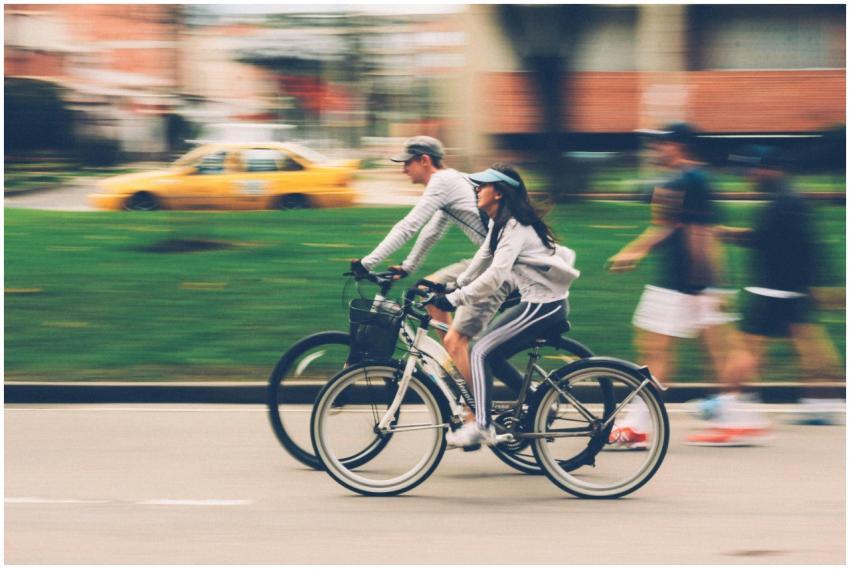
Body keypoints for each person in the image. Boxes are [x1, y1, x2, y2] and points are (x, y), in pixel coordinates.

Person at [606, 122, 755, 448]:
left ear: (680, 146)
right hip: (694, 283)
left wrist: (703, 285)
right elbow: (679, 227)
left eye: (663, 144)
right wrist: (635, 252)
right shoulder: (696, 179)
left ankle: (638, 427)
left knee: (658, 351)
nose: (657, 149)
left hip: (683, 284)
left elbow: (690, 230)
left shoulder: (685, 180)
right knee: (702, 352)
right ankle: (736, 420)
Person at [429, 164, 580, 448]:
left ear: (498, 192)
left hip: (544, 307)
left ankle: (483, 426)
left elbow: (495, 276)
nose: (476, 190)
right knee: (492, 355)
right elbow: (482, 259)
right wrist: (452, 285)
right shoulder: (501, 224)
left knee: (480, 352)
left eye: (482, 186)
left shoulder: (516, 226)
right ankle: (537, 401)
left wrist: (454, 299)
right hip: (536, 304)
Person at [351, 136, 516, 391]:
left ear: (424, 160)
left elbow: (409, 226)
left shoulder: (442, 182)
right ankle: (454, 364)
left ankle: (474, 404)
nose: (403, 169)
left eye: (407, 163)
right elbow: (432, 232)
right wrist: (408, 266)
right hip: (490, 257)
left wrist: (367, 263)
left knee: (455, 337)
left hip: (500, 265)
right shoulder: (450, 182)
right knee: (428, 290)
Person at [713, 145, 843, 429]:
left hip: (771, 288)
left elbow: (765, 239)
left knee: (744, 346)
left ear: (768, 168)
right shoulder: (789, 196)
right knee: (812, 345)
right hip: (793, 287)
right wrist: (821, 284)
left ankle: (727, 405)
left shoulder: (782, 201)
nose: (749, 175)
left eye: (752, 169)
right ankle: (823, 405)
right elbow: (808, 244)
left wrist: (727, 234)